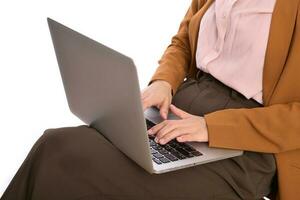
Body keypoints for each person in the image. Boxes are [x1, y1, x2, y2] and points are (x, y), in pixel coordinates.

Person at [1, 0, 300, 199]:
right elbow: (183, 40)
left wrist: (211, 127)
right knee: (55, 147)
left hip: (246, 145)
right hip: (178, 111)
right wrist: (163, 82)